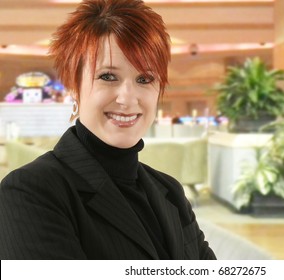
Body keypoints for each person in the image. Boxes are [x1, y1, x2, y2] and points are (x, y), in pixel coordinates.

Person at [0, 0, 216, 260]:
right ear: (73, 87)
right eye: (108, 76)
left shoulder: (169, 190)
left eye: (144, 79)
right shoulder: (29, 192)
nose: (128, 98)